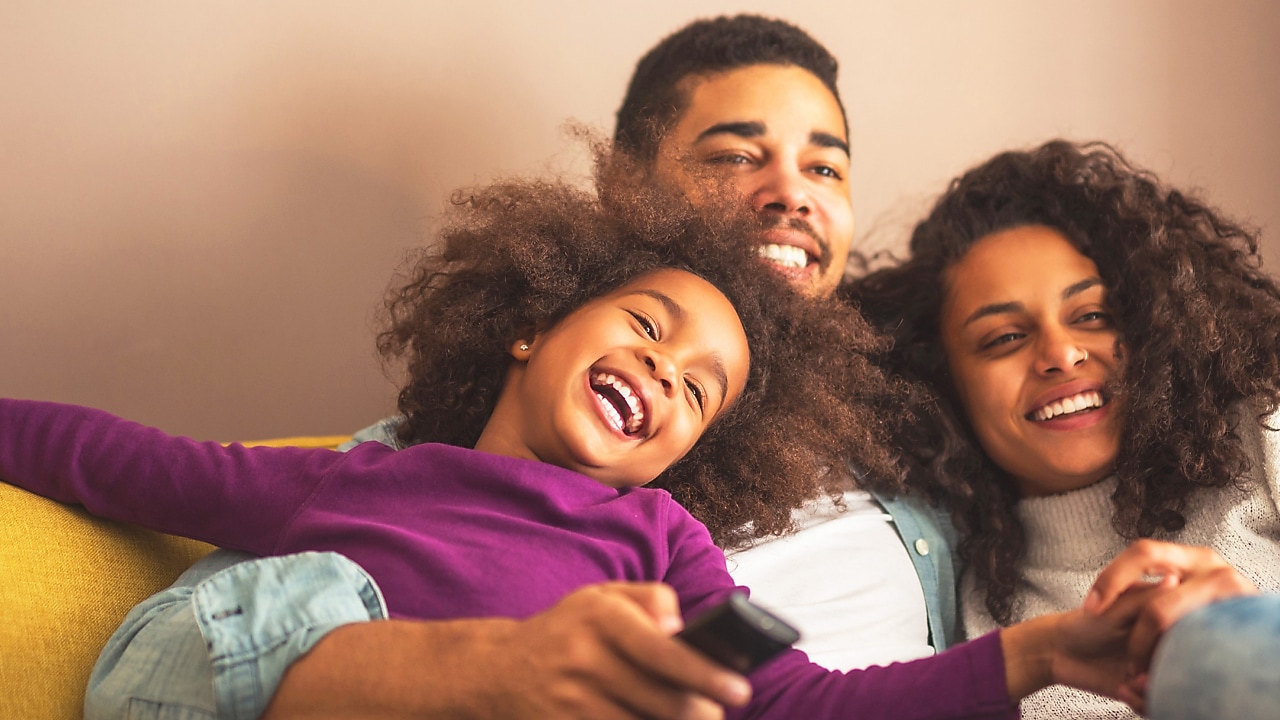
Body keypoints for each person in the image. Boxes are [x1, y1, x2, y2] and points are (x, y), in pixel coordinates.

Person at [86, 16, 1253, 720]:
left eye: (823, 165)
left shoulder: (934, 425)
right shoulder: (469, 465)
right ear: (628, 196)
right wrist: (487, 669)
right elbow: (169, 668)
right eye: (732, 153)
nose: (789, 189)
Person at [2, 168, 1168, 720]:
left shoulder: (658, 541)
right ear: (527, 326)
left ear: (684, 461)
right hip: (297, 692)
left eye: (698, 392)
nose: (664, 371)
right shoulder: (367, 476)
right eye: (647, 328)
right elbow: (116, 460)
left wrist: (1046, 653)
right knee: (304, 587)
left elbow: (801, 701)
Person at [846, 139, 1280, 719]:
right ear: (941, 387)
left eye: (1092, 316)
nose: (1060, 354)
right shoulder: (979, 625)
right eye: (1004, 338)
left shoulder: (1263, 430)